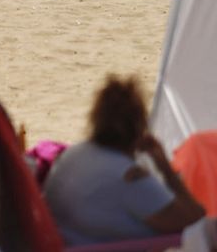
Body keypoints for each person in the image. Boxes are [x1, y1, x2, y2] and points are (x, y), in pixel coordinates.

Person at [43, 75, 206, 246]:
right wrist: (166, 169)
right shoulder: (129, 177)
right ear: (140, 127)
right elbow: (195, 219)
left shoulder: (71, 155)